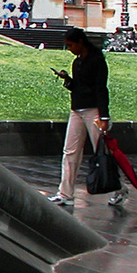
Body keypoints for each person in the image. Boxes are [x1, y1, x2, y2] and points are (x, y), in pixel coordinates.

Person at [49, 28, 124, 206]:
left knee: (103, 151)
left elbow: (100, 88)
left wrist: (104, 117)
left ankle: (119, 188)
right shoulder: (77, 62)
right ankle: (65, 193)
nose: (69, 49)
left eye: (71, 45)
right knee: (70, 151)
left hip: (93, 111)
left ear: (80, 42)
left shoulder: (97, 61)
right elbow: (78, 86)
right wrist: (67, 80)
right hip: (77, 109)